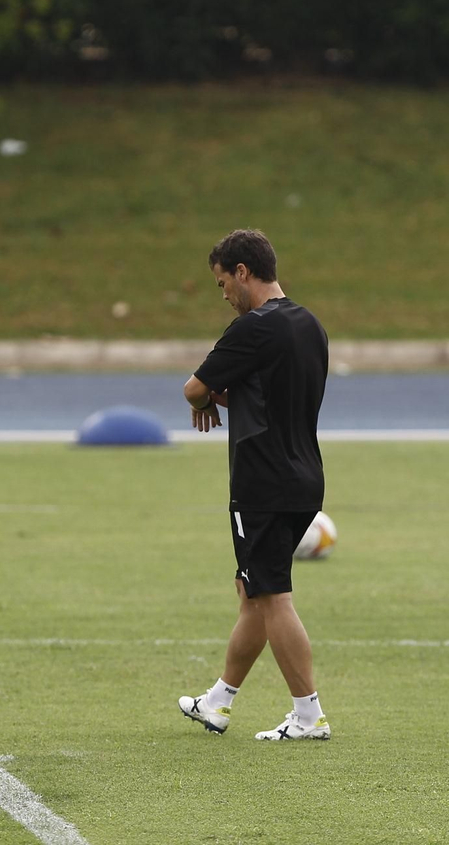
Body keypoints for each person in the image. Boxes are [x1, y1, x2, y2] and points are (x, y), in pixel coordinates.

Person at [177, 228, 332, 741]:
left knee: (273, 596)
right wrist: (231, 400)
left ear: (243, 272)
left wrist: (204, 403)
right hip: (305, 476)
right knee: (253, 591)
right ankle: (218, 702)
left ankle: (308, 715)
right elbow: (272, 397)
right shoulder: (310, 325)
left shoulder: (251, 328)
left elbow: (193, 387)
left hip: (261, 482)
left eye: (223, 283)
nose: (224, 295)